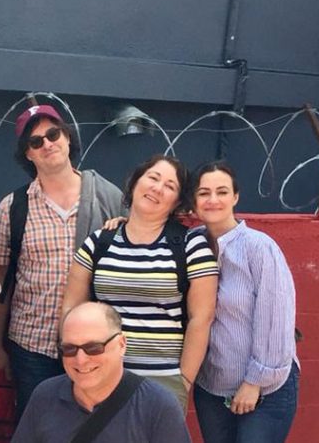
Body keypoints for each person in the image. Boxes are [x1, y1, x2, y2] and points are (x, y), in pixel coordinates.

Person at [0, 105, 124, 415]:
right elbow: (1, 285)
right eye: (36, 142)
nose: (47, 144)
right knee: (38, 428)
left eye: (53, 134)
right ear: (28, 154)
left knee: (93, 429)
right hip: (31, 346)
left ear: (66, 138)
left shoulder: (107, 197)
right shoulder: (13, 208)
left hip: (92, 347)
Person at [62, 155, 218, 407]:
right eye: (153, 178)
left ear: (177, 201)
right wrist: (79, 365)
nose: (157, 188)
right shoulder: (99, 242)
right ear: (135, 183)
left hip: (162, 382)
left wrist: (184, 381)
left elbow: (202, 318)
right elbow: (71, 308)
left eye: (170, 186)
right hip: (100, 377)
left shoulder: (191, 246)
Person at [190, 162, 299, 443]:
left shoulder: (259, 247)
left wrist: (255, 383)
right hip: (211, 387)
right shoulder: (190, 244)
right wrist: (119, 224)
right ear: (194, 200)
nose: (213, 200)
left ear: (235, 197)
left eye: (222, 192)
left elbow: (276, 320)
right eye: (204, 193)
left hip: (265, 389)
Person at [13, 302, 191, 443]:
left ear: (121, 344)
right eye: (69, 349)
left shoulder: (158, 405)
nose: (81, 359)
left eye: (93, 348)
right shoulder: (45, 395)